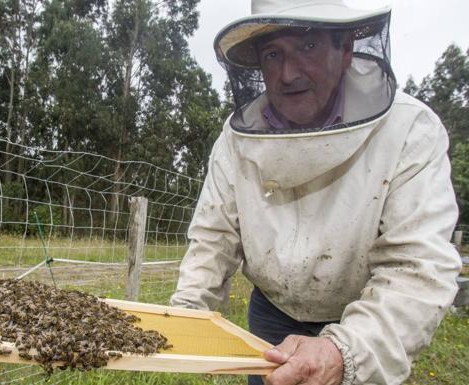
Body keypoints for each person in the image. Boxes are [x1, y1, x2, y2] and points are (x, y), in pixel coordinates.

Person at [169, 1, 463, 384]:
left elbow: (416, 267)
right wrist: (187, 310)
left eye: (307, 47)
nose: (289, 74)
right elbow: (213, 235)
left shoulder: (411, 130)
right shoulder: (235, 139)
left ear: (344, 51)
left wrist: (344, 350)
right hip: (272, 311)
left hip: (363, 312)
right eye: (274, 54)